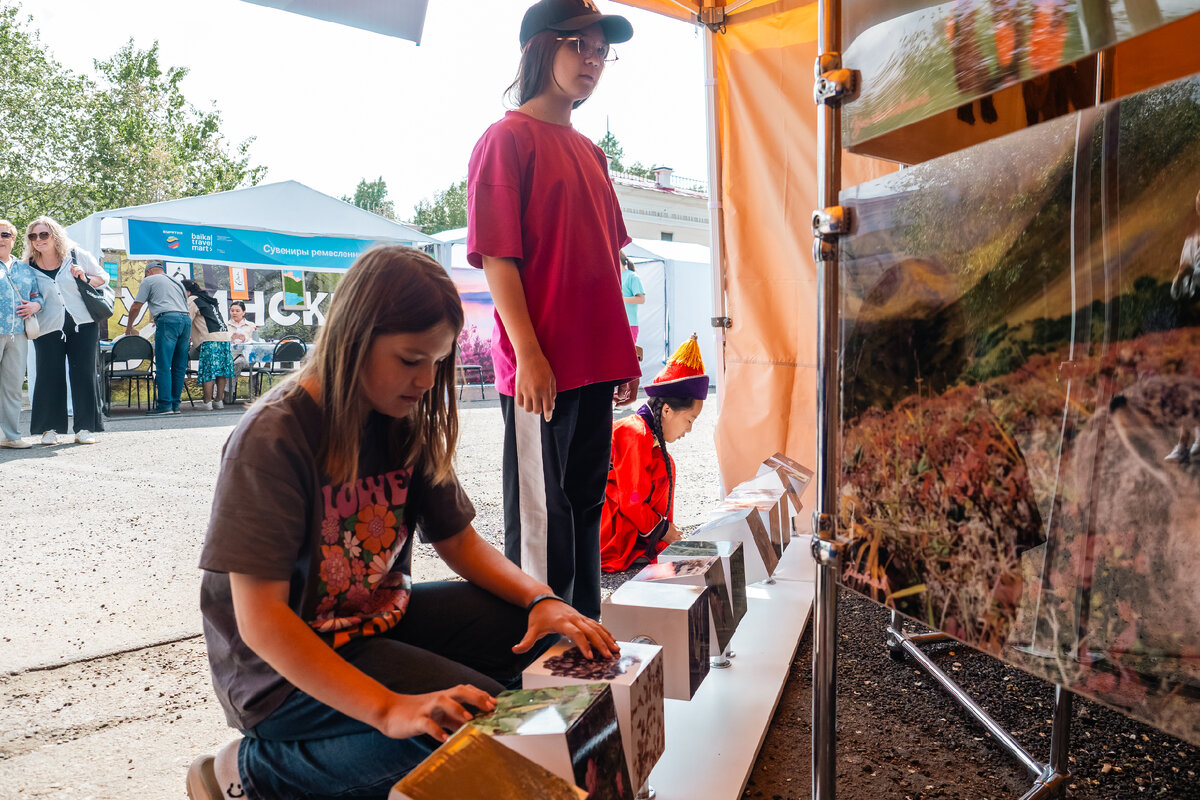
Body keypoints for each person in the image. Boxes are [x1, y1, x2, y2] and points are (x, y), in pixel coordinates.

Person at [186, 245, 617, 800]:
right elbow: (263, 621)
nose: (425, 380)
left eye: (437, 362)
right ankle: (253, 771)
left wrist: (542, 600)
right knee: (477, 727)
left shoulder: (399, 416)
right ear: (353, 338)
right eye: (411, 359)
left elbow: (458, 541)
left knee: (541, 646)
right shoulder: (273, 437)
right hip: (280, 675)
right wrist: (391, 710)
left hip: (371, 621)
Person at [467, 0, 641, 621]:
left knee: (588, 502)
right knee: (542, 518)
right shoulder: (504, 139)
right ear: (541, 47)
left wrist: (624, 352)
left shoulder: (592, 153)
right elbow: (497, 259)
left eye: (601, 50)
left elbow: (607, 263)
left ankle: (584, 642)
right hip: (542, 369)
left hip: (597, 363)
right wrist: (531, 356)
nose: (593, 59)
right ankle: (542, 664)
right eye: (579, 45)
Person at [601, 334, 708, 572]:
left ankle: (647, 540)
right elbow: (631, 500)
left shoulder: (648, 437)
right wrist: (664, 530)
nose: (689, 430)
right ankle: (641, 542)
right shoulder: (636, 432)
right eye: (689, 420)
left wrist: (665, 528)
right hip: (602, 527)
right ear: (667, 410)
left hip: (620, 516)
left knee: (665, 463)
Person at [25, 216, 107, 445]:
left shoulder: (76, 255)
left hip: (83, 323)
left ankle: (85, 428)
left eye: (43, 234)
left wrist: (84, 276)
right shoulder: (28, 265)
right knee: (48, 375)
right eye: (33, 236)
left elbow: (104, 277)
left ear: (55, 235)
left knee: (84, 374)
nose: (38, 240)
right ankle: (48, 429)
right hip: (48, 326)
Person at [125, 261, 190, 416]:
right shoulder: (177, 282)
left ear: (148, 272)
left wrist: (129, 327)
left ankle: (165, 405)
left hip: (168, 320)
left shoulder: (149, 280)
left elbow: (136, 306)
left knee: (163, 364)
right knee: (179, 366)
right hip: (186, 320)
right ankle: (175, 405)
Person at [0, 220, 42, 449]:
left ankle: (10, 435)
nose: (1, 239)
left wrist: (35, 306)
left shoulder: (25, 269)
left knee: (13, 386)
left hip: (19, 334)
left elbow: (38, 296)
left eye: (5, 234)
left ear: (13, 239)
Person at [182, 280, 235, 411]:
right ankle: (219, 401)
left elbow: (187, 320)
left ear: (186, 291)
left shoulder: (192, 300)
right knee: (221, 372)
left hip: (210, 340)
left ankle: (207, 402)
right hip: (224, 337)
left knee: (208, 372)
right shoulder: (208, 299)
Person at [225, 300, 258, 403]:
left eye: (237, 311)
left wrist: (246, 339)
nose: (234, 313)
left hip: (246, 357)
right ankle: (228, 392)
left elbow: (255, 342)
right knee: (234, 363)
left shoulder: (251, 325)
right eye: (232, 310)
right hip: (230, 357)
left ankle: (230, 392)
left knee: (239, 362)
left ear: (243, 312)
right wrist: (230, 337)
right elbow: (222, 340)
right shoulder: (226, 325)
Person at [620, 251, 645, 343]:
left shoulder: (632, 276)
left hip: (629, 324)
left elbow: (641, 299)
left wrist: (621, 299)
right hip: (613, 324)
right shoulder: (614, 277)